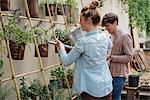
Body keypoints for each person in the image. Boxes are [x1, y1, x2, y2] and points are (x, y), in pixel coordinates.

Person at [55, 1, 113, 100]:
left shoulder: (83, 42)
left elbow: (66, 61)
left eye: (81, 20)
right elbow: (110, 47)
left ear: (88, 21)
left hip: (91, 89)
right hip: (106, 86)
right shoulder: (105, 37)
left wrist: (61, 48)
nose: (79, 22)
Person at [102, 13, 133, 100]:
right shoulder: (111, 36)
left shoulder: (125, 36)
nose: (106, 28)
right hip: (110, 73)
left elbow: (129, 57)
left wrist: (112, 57)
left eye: (108, 25)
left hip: (119, 74)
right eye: (105, 26)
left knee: (115, 97)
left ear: (115, 23)